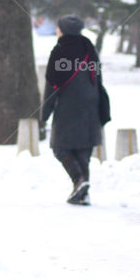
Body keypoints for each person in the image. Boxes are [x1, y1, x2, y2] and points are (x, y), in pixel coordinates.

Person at [41, 15, 104, 205]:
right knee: (84, 151)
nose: (57, 31)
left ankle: (80, 182)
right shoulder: (88, 47)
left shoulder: (60, 50)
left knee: (60, 148)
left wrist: (44, 114)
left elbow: (52, 85)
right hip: (91, 105)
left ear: (63, 30)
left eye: (58, 27)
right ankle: (83, 193)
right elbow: (98, 76)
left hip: (68, 106)